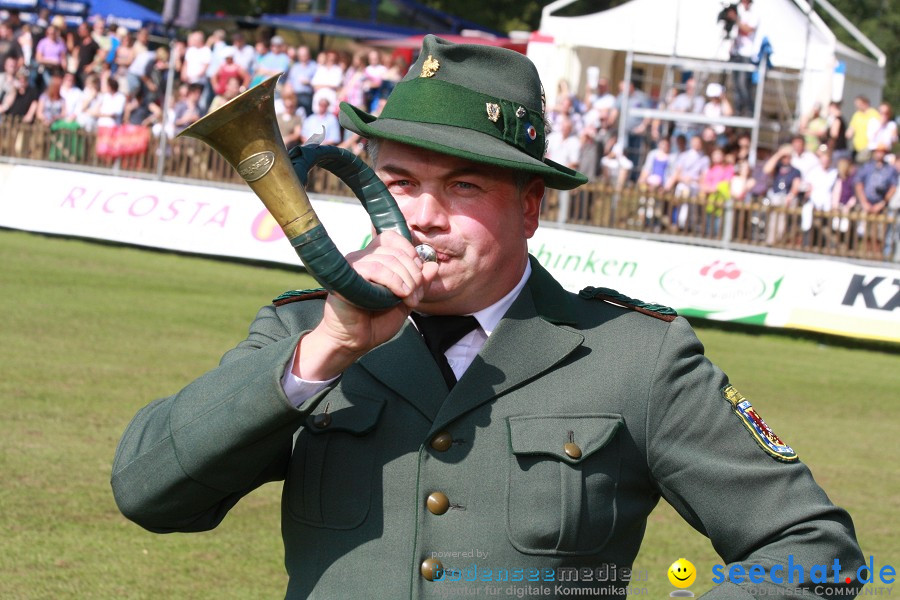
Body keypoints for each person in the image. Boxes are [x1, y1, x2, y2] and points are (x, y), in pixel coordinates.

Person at [111, 35, 864, 599]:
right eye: (399, 182)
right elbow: (148, 494)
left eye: (464, 187)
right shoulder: (299, 335)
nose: (425, 217)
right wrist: (328, 348)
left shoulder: (636, 356)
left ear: (530, 208)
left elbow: (814, 548)